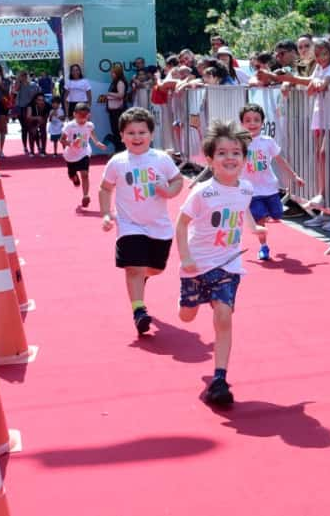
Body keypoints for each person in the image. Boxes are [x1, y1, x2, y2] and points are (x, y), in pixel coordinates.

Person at [175, 119, 255, 406]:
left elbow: (243, 211)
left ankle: (220, 378)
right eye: (222, 153)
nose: (230, 157)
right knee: (187, 316)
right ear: (209, 160)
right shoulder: (202, 192)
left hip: (228, 264)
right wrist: (185, 257)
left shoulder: (246, 189)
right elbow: (181, 225)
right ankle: (188, 301)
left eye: (236, 152)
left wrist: (254, 228)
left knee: (223, 315)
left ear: (244, 159)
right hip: (197, 265)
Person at [99, 107, 185, 335]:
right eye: (131, 133)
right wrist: (106, 214)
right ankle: (139, 310)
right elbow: (105, 188)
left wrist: (168, 191)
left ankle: (143, 278)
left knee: (155, 269)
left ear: (151, 134)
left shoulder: (161, 159)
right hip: (129, 225)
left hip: (159, 226)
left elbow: (177, 180)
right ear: (122, 136)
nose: (137, 137)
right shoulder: (117, 162)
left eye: (142, 132)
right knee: (133, 268)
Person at [238, 103, 304, 260]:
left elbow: (280, 160)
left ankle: (264, 215)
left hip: (269, 187)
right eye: (248, 120)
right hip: (251, 191)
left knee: (277, 214)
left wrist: (294, 176)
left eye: (256, 120)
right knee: (261, 219)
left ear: (262, 123)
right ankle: (263, 246)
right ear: (242, 123)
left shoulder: (267, 141)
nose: (252, 124)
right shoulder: (238, 143)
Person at [304, 35, 330, 228]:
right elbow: (311, 89)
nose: (320, 57)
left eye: (324, 53)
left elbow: (322, 84)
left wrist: (318, 83)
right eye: (317, 54)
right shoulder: (318, 68)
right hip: (320, 119)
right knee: (322, 161)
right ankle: (325, 209)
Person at [60, 102, 107, 207]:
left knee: (85, 174)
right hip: (71, 155)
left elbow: (93, 136)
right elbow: (62, 140)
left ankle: (85, 195)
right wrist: (72, 143)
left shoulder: (89, 125)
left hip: (84, 152)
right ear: (74, 114)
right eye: (80, 117)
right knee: (72, 176)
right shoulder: (70, 126)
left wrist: (98, 143)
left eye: (85, 117)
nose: (82, 119)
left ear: (88, 115)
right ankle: (74, 178)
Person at [14, 70, 41, 156]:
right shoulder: (19, 85)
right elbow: (15, 90)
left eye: (25, 75)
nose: (24, 77)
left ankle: (38, 146)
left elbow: (39, 95)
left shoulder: (34, 85)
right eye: (22, 75)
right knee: (24, 129)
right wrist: (18, 79)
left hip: (32, 108)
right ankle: (25, 147)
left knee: (34, 129)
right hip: (21, 108)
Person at [104, 63, 128, 151]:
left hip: (118, 111)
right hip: (114, 111)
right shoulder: (115, 81)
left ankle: (120, 150)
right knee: (115, 131)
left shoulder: (120, 81)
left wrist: (109, 94)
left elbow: (121, 95)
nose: (111, 74)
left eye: (113, 72)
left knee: (118, 132)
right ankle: (118, 150)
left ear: (117, 73)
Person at [24, 92, 50, 156]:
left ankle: (43, 150)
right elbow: (28, 117)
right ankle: (32, 151)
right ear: (35, 100)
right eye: (39, 100)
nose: (41, 102)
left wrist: (37, 126)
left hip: (42, 120)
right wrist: (37, 118)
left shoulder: (47, 106)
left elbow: (45, 119)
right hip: (32, 120)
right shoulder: (30, 105)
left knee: (43, 131)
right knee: (32, 132)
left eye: (43, 100)